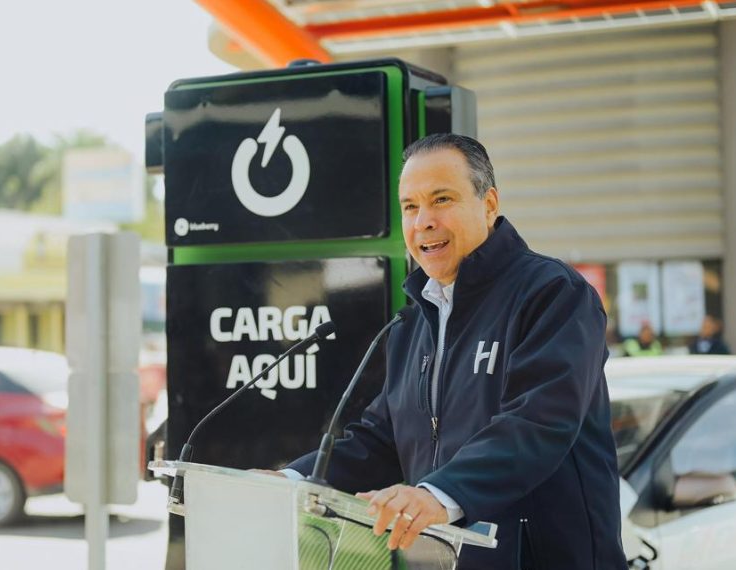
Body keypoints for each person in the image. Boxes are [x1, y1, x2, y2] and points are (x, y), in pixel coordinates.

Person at [265, 134, 624, 569]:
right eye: (410, 207)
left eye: (442, 200)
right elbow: (381, 440)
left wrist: (435, 494)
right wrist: (289, 481)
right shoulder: (415, 320)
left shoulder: (553, 294)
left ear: (489, 204)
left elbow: (539, 421)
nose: (423, 222)